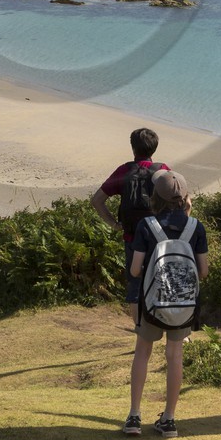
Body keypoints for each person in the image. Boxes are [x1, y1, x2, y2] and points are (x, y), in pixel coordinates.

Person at [122, 169, 209, 440]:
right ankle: (169, 419)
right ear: (185, 198)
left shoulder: (147, 226)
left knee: (142, 352)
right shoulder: (196, 227)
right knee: (175, 356)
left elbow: (136, 270)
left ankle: (134, 416)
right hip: (182, 304)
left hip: (151, 302)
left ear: (154, 197)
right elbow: (204, 271)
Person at [90, 127, 168, 309]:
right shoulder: (162, 170)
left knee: (135, 284)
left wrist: (114, 224)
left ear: (133, 148)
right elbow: (183, 200)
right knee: (161, 280)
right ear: (154, 149)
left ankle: (140, 330)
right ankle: (167, 326)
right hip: (160, 236)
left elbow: (97, 200)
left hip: (132, 236)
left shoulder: (123, 171)